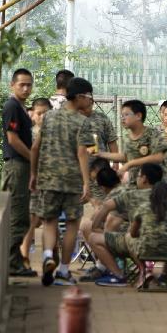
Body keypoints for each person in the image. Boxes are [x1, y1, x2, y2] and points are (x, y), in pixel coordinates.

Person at [30, 77, 94, 286]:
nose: (90, 101)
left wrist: (33, 174)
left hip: (47, 178)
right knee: (72, 224)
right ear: (81, 96)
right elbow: (82, 152)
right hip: (72, 181)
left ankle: (48, 254)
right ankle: (64, 271)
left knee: (49, 221)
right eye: (89, 97)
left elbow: (35, 148)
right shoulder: (82, 122)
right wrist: (86, 182)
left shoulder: (48, 117)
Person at [86, 163, 164, 286]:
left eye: (138, 175)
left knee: (94, 234)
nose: (136, 178)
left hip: (138, 243)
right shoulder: (164, 196)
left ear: (144, 179)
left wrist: (95, 225)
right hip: (164, 245)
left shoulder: (131, 195)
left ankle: (117, 274)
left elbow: (106, 209)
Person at [1, 68, 37, 277]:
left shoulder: (21, 107)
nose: (26, 88)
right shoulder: (12, 106)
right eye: (22, 84)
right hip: (16, 165)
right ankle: (11, 263)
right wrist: (32, 157)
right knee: (17, 215)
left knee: (21, 214)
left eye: (29, 84)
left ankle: (13, 262)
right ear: (12, 85)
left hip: (22, 166)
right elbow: (13, 139)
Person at [129, 181, 167, 289]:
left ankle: (144, 270)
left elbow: (133, 233)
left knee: (128, 238)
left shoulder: (142, 208)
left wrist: (145, 234)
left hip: (145, 249)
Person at [95, 100, 165, 186]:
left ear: (138, 116)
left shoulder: (152, 134)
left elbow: (158, 157)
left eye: (126, 115)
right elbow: (126, 156)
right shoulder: (127, 137)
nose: (123, 118)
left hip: (151, 185)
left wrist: (129, 164)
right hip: (134, 183)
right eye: (122, 116)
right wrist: (101, 154)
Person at [20, 96, 54, 270]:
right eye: (39, 113)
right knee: (32, 220)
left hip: (49, 181)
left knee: (47, 220)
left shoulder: (53, 134)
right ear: (32, 114)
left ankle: (47, 258)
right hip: (34, 181)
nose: (42, 117)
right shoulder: (29, 133)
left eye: (46, 113)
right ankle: (24, 256)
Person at [80, 97, 118, 205]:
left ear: (92, 102)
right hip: (78, 169)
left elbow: (112, 141)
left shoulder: (102, 118)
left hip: (99, 168)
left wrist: (115, 163)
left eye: (87, 105)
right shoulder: (73, 118)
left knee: (100, 202)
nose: (84, 109)